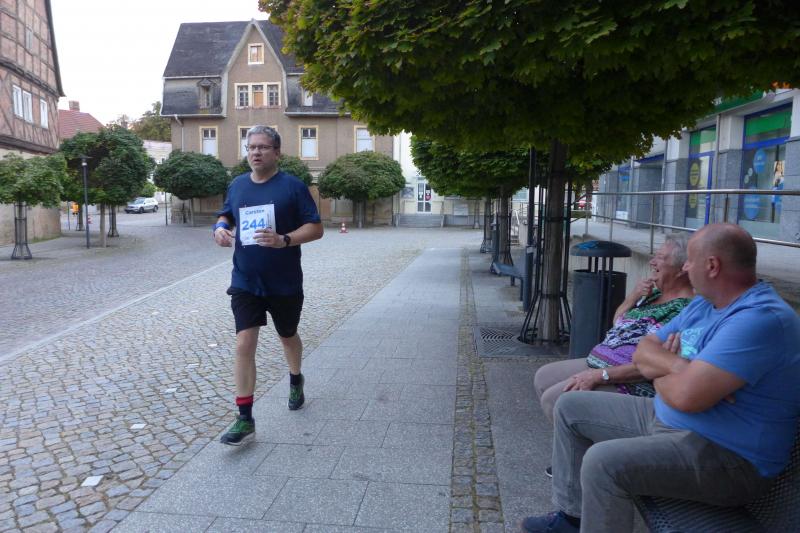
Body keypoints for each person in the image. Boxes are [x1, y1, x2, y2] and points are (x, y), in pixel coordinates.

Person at [520, 224, 800, 533]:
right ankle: (572, 519)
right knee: (569, 406)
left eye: (690, 260)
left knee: (603, 463)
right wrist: (681, 367)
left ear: (712, 266)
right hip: (669, 420)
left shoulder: (758, 319)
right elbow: (644, 349)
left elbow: (685, 397)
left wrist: (663, 372)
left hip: (728, 457)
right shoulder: (705, 304)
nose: (686, 267)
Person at [213, 125, 323, 446]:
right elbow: (226, 215)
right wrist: (219, 228)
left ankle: (295, 378)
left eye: (262, 147)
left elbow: (316, 228)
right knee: (244, 343)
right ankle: (244, 418)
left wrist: (284, 239)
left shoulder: (293, 187)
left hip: (284, 281)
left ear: (277, 152)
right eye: (251, 147)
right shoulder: (237, 185)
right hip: (245, 280)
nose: (256, 152)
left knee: (287, 335)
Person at [534, 234, 693, 424]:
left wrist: (600, 376)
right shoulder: (653, 294)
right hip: (601, 362)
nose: (652, 262)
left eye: (660, 257)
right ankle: (577, 432)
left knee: (554, 399)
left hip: (629, 381)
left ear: (682, 268)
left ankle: (584, 436)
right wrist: (633, 297)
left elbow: (656, 364)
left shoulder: (684, 310)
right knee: (543, 377)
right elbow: (619, 323)